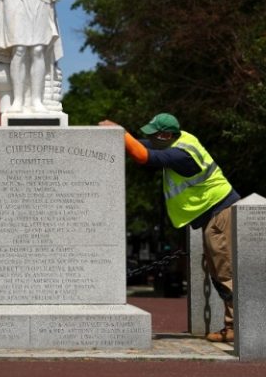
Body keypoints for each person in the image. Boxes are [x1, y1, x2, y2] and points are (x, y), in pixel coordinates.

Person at [100, 113, 240, 343]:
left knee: (224, 272)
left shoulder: (181, 154)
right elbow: (142, 144)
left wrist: (122, 133)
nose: (149, 137)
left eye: (153, 134)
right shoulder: (179, 140)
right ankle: (233, 325)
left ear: (165, 135)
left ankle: (237, 327)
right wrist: (118, 134)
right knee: (219, 270)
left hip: (219, 213)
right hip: (213, 213)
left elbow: (143, 155)